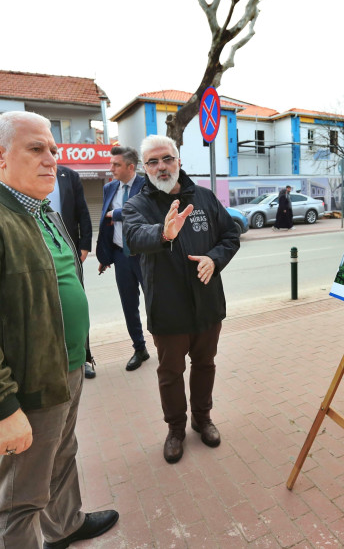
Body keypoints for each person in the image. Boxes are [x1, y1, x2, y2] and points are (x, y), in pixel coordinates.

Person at [0, 111, 118, 549]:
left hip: (64, 368)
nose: (51, 158)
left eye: (52, 148)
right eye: (36, 148)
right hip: (26, 385)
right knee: (19, 499)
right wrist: (2, 408)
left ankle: (65, 525)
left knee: (62, 455)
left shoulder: (42, 211)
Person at [124, 135, 240, 464]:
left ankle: (202, 419)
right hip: (167, 306)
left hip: (206, 303)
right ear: (144, 168)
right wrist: (163, 233)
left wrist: (214, 259)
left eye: (167, 159)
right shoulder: (137, 206)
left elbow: (230, 234)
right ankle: (175, 428)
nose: (161, 167)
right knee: (171, 372)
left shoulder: (204, 198)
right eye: (153, 162)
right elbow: (133, 238)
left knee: (205, 364)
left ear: (179, 160)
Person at [97, 146, 149, 371]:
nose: (111, 169)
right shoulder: (109, 187)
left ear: (130, 166)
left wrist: (115, 214)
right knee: (129, 306)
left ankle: (165, 345)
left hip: (146, 256)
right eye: (111, 164)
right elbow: (106, 226)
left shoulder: (146, 185)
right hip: (121, 256)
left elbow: (143, 213)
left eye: (116, 165)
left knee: (155, 303)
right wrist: (106, 256)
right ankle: (140, 348)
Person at [48, 165, 96, 378]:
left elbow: (82, 212)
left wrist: (84, 246)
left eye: (52, 149)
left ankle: (85, 357)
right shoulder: (27, 172)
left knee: (77, 303)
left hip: (69, 248)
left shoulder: (69, 176)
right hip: (41, 247)